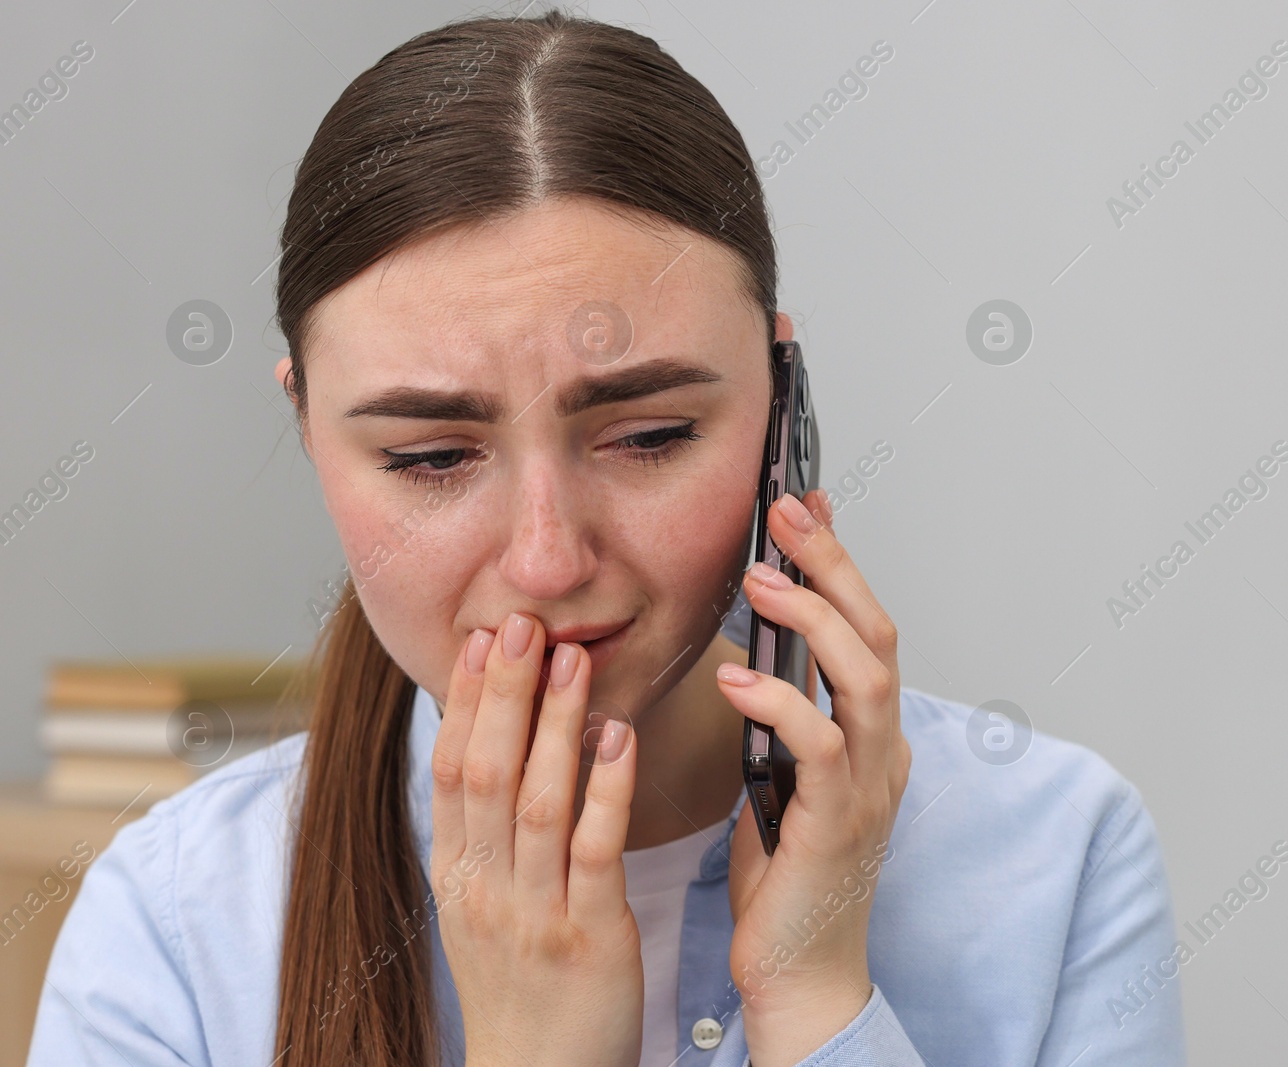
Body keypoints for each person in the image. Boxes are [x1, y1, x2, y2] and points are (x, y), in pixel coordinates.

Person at [26, 10, 1186, 1066]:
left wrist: (818, 999)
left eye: (648, 434)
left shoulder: (1055, 853)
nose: (544, 559)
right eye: (431, 458)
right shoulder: (173, 922)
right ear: (307, 427)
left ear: (782, 409)